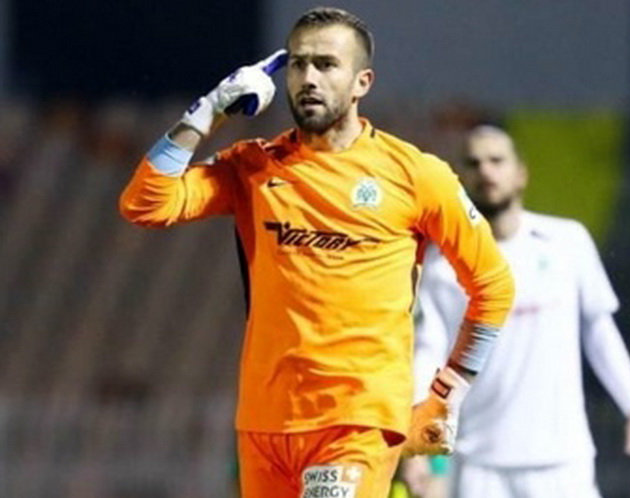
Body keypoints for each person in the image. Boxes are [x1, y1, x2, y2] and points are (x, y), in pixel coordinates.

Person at [119, 8, 515, 498]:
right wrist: (210, 110)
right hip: (265, 424)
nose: (308, 78)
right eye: (299, 64)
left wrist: (447, 394)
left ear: (362, 82)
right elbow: (145, 204)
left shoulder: (415, 175)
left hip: (356, 422)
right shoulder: (254, 166)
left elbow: (493, 285)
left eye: (326, 65)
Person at [403, 125, 630, 498]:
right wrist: (418, 441)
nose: (486, 171)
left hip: (562, 460)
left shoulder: (568, 242)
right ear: (461, 181)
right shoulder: (442, 265)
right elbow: (429, 354)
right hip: (480, 463)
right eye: (474, 163)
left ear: (521, 173)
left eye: (496, 160)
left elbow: (599, 331)